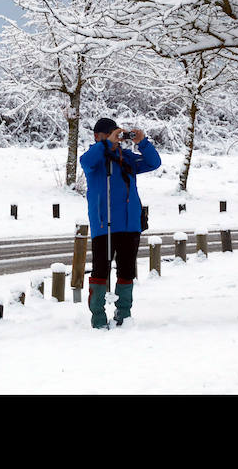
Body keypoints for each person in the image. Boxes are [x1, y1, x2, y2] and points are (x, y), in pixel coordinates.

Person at [79, 117, 162, 329]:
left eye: (117, 134)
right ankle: (97, 316)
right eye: (110, 134)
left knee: (126, 271)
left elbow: (154, 163)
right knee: (100, 271)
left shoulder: (127, 158)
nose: (116, 138)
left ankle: (124, 314)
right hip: (103, 224)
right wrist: (106, 144)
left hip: (130, 224)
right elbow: (86, 162)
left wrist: (142, 142)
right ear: (98, 136)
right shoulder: (93, 159)